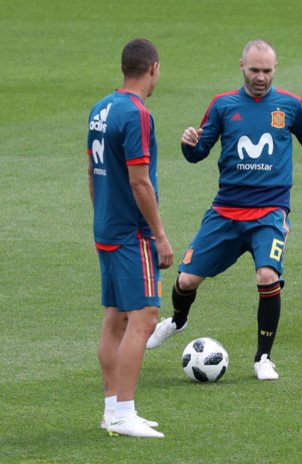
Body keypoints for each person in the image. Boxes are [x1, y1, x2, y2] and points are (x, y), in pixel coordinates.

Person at [145, 39, 302, 381]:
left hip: (270, 213)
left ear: (275, 69)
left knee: (267, 276)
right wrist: (189, 144)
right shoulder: (223, 105)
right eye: (255, 70)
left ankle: (263, 358)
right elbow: (199, 152)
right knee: (186, 280)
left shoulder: (290, 105)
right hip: (226, 211)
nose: (261, 77)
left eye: (267, 71)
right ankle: (177, 321)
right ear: (242, 67)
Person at [88, 38, 173, 438]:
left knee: (116, 317)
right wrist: (159, 235)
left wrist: (101, 216)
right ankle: (124, 413)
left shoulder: (100, 108)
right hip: (131, 233)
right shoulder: (137, 113)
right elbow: (140, 182)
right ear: (153, 67)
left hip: (106, 226)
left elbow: (92, 173)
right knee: (144, 318)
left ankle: (112, 411)